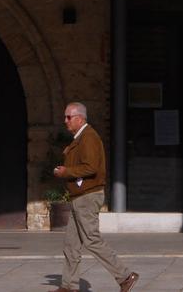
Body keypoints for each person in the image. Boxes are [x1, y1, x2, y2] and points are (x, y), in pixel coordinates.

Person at [52, 102, 139, 292]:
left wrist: (66, 172)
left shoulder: (89, 137)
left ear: (80, 118)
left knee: (91, 240)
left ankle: (125, 276)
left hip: (87, 197)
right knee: (71, 244)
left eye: (68, 117)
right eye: (65, 117)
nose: (65, 121)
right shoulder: (80, 138)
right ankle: (69, 286)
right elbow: (83, 163)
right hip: (80, 197)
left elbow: (91, 167)